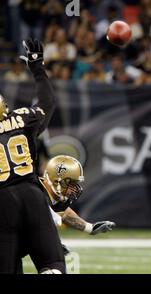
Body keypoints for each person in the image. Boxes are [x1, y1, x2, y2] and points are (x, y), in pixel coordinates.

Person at [0, 39, 65, 274]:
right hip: (32, 195)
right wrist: (38, 69)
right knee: (53, 264)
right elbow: (47, 102)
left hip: (3, 205)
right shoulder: (23, 118)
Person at [40, 155, 116, 239]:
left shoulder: (49, 197)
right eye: (70, 184)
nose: (74, 189)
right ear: (56, 181)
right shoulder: (35, 196)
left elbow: (64, 213)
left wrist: (90, 228)